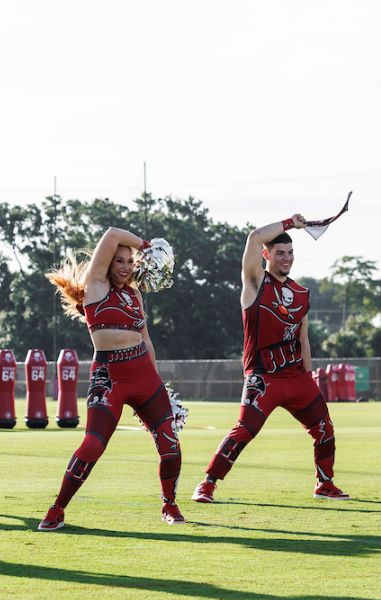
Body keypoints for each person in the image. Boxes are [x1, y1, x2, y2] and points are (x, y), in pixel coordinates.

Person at [192, 213, 349, 504]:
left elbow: (303, 338)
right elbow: (253, 236)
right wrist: (292, 223)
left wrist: (309, 376)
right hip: (263, 377)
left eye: (290, 253)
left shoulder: (302, 293)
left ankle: (325, 484)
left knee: (325, 428)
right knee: (244, 431)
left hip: (296, 376)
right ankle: (207, 483)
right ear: (266, 255)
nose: (287, 258)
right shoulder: (255, 283)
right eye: (280, 253)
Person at [38, 228, 184, 530]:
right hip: (109, 377)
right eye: (119, 260)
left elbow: (146, 339)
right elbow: (112, 233)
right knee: (92, 445)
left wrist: (159, 385)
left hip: (143, 374)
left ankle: (169, 504)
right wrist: (146, 244)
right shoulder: (96, 286)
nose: (126, 266)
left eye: (130, 261)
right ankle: (57, 509)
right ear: (107, 263)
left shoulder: (133, 294)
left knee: (170, 444)